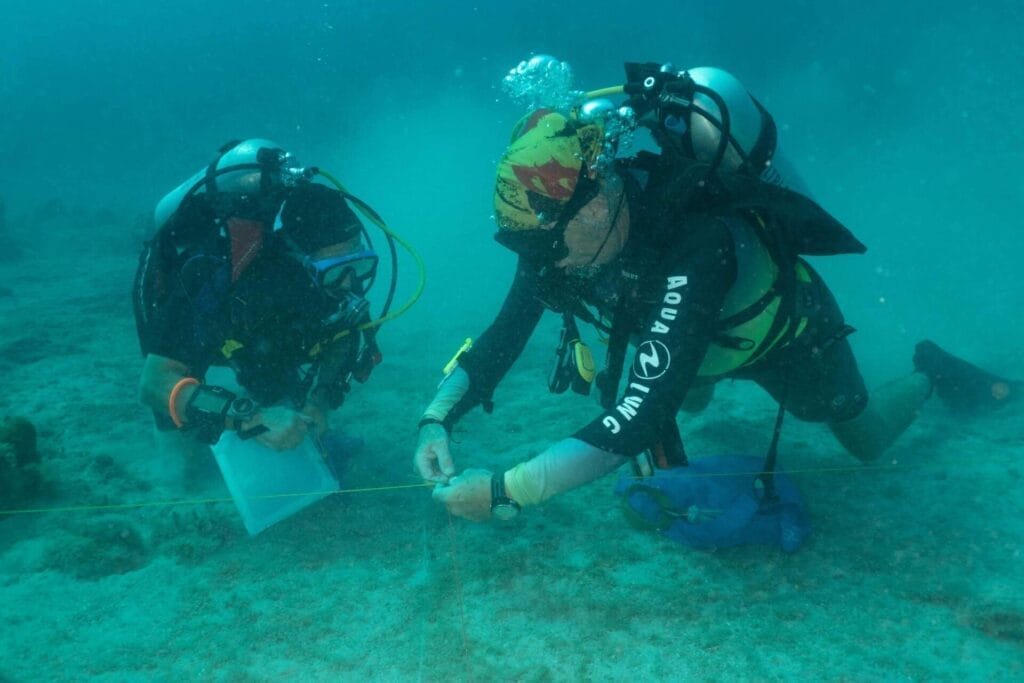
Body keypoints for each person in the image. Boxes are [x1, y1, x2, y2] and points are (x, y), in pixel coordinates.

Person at [413, 62, 1020, 524]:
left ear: (599, 196)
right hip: (694, 342)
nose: (536, 261)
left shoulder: (696, 242)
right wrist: (437, 418)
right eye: (524, 245)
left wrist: (501, 493)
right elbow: (503, 335)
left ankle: (931, 372)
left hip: (784, 337)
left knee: (863, 441)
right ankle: (696, 382)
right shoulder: (557, 239)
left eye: (541, 244)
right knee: (684, 394)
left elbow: (637, 416)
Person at [135, 139, 383, 472]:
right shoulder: (213, 271)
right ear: (298, 261)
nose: (350, 283)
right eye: (336, 270)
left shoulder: (327, 281)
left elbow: (343, 334)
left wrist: (319, 403)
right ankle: (173, 471)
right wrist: (250, 420)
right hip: (195, 303)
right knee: (180, 446)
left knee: (281, 391)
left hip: (263, 319)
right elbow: (154, 383)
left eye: (360, 265)